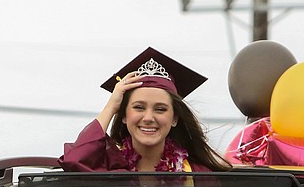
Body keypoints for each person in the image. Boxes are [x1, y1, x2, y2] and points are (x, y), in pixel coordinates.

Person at [58, 47, 232, 174]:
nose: (148, 117)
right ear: (124, 116)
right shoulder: (110, 167)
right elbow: (75, 161)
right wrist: (111, 106)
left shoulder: (195, 175)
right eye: (139, 107)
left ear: (175, 118)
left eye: (160, 109)